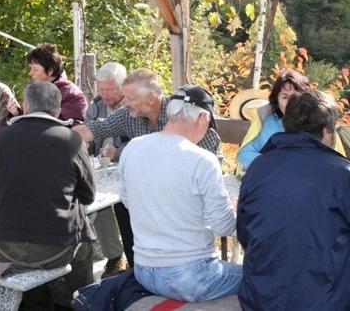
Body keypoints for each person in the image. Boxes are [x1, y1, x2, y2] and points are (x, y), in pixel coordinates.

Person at [73, 69, 221, 267]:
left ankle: (158, 265)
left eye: (130, 98)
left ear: (151, 97)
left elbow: (212, 155)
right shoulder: (128, 115)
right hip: (151, 194)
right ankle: (136, 266)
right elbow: (94, 129)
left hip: (182, 198)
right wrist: (58, 140)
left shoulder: (180, 115)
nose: (125, 103)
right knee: (122, 205)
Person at [119, 85, 240, 302]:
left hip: (143, 270)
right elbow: (224, 227)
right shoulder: (203, 160)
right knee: (267, 277)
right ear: (203, 118)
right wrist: (234, 211)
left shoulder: (132, 148)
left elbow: (129, 201)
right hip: (191, 276)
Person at [0, 81, 96, 308]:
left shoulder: (1, 138)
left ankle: (36, 301)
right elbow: (88, 196)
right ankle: (83, 302)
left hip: (5, 246)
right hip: (56, 248)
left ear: (25, 106)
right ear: (58, 109)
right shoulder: (73, 140)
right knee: (85, 244)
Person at [237, 90, 350, 310]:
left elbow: (244, 233)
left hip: (260, 299)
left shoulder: (258, 167)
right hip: (325, 302)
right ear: (327, 131)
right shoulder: (342, 174)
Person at [85, 62, 128, 278]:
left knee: (124, 206)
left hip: (127, 168)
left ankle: (133, 257)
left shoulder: (133, 106)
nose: (104, 95)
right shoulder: (95, 106)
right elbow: (88, 135)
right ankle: (114, 256)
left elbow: (141, 140)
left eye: (109, 90)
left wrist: (117, 152)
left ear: (122, 86)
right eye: (101, 89)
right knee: (97, 202)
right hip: (100, 168)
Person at [236, 69, 309, 171]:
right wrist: (273, 163)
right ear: (277, 100)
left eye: (295, 97)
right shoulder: (268, 122)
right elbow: (244, 155)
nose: (291, 103)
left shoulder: (316, 123)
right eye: (285, 97)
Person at [9, 43, 87, 124]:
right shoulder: (33, 90)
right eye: (30, 68)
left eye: (35, 69)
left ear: (50, 71)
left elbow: (75, 126)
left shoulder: (72, 95)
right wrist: (16, 114)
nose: (30, 73)